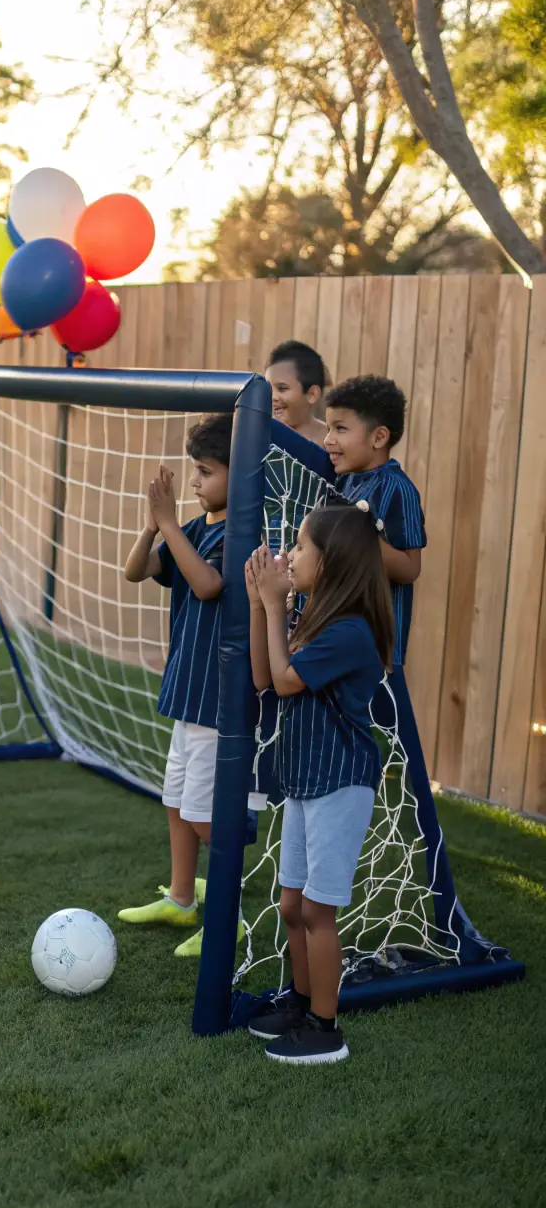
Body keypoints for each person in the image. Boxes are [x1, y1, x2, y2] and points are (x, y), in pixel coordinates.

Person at [245, 506, 393, 1064]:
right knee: (290, 904)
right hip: (308, 782)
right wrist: (271, 608)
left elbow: (285, 681)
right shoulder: (314, 619)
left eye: (301, 548)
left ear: (329, 564)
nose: (291, 555)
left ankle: (325, 1029)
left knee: (316, 911)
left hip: (340, 784)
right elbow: (266, 675)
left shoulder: (351, 631)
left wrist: (272, 604)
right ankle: (301, 1002)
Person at [118, 415, 231, 959]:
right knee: (175, 801)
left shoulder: (242, 530)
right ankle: (182, 899)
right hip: (188, 690)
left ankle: (227, 917)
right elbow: (135, 572)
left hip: (219, 697)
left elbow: (209, 585)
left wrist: (170, 525)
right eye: (194, 471)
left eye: (206, 472)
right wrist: (154, 525)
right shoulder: (194, 527)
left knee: (207, 817)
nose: (195, 482)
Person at [323, 375, 424, 667]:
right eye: (329, 428)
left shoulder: (397, 488)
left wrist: (358, 538)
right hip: (338, 634)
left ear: (378, 437)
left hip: (374, 651)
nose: (328, 439)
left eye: (340, 428)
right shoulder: (345, 482)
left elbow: (410, 568)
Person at [265, 340, 329, 446]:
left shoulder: (331, 444)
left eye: (282, 389)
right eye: (268, 389)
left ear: (312, 394)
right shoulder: (258, 436)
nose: (273, 397)